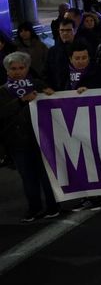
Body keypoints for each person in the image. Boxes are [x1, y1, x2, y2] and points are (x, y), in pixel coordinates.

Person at [0, 52, 59, 222]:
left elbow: (56, 105)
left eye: (21, 68)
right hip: (17, 142)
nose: (17, 71)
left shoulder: (38, 84)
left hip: (42, 139)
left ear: (27, 68)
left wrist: (51, 94)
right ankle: (34, 208)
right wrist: (21, 100)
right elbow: (2, 113)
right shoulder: (2, 91)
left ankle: (53, 206)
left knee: (46, 175)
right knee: (28, 177)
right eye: (13, 69)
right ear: (7, 71)